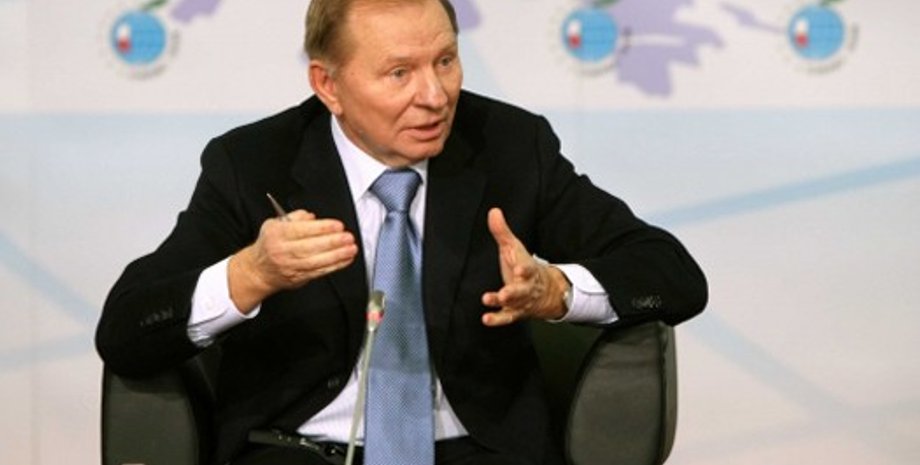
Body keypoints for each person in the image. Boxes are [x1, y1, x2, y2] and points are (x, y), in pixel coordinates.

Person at [95, 0, 707, 464]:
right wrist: (250, 275)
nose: (435, 96)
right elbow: (125, 330)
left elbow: (672, 273)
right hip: (297, 451)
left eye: (445, 61)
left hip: (477, 451)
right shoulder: (254, 165)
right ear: (328, 85)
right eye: (398, 73)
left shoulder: (509, 147)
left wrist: (558, 292)